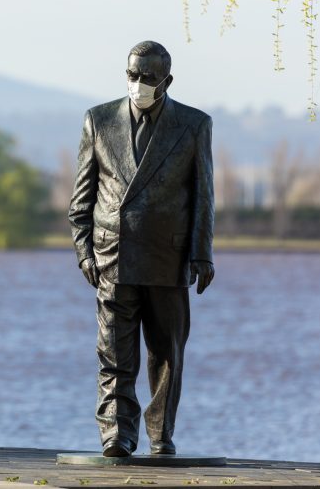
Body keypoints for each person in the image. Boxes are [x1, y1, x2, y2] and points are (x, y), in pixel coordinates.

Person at [67, 40, 215, 458]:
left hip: (168, 258)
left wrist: (202, 253)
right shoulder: (98, 121)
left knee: (167, 354)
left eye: (148, 77)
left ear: (166, 80)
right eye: (132, 75)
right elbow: (82, 197)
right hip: (112, 257)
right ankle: (117, 434)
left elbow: (204, 195)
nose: (138, 84)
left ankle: (160, 434)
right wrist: (84, 252)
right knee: (113, 352)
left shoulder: (192, 125)